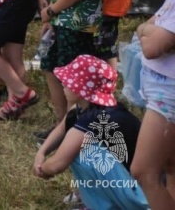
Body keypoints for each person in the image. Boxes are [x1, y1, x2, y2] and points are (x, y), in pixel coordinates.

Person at [33, 55, 148, 210]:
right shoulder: (95, 108)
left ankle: (105, 204)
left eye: (68, 83)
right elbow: (62, 128)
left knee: (82, 153)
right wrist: (42, 152)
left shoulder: (91, 120)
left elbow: (56, 165)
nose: (63, 85)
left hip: (137, 195)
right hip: (142, 184)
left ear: (81, 90)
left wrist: (42, 169)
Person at [130, 0, 175, 209]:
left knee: (144, 171)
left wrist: (146, 28)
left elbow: (153, 47)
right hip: (165, 92)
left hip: (168, 96)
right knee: (170, 167)